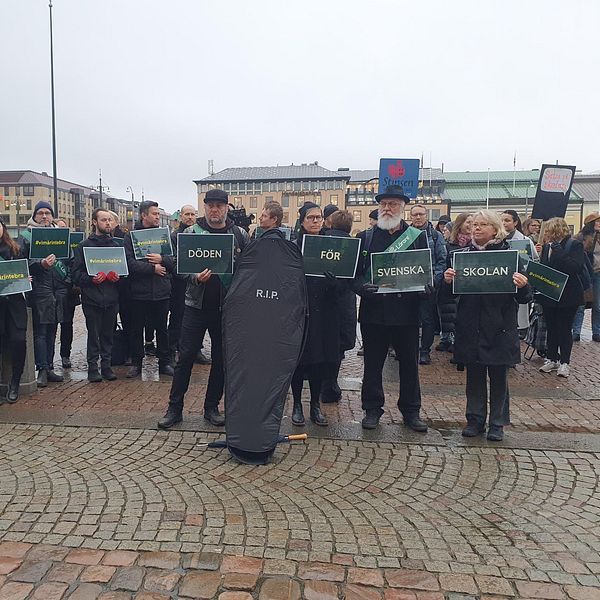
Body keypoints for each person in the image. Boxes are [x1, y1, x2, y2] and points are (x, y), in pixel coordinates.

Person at [158, 189, 249, 429]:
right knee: (185, 358)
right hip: (195, 306)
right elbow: (177, 264)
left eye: (219, 205)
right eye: (210, 205)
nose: (215, 209)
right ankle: (174, 408)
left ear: (226, 208)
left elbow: (249, 268)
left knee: (220, 360)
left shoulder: (239, 234)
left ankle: (211, 407)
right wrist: (194, 276)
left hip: (225, 309)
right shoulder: (189, 233)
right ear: (205, 207)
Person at [442, 210, 531, 441]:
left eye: (483, 225)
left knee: (499, 377)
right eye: (474, 225)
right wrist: (447, 281)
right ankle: (475, 419)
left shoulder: (510, 256)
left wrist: (523, 285)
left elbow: (524, 298)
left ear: (495, 229)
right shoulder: (461, 256)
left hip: (499, 325)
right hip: (470, 325)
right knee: (474, 375)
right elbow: (446, 297)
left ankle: (497, 423)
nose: (477, 228)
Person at [353, 185, 429, 431]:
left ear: (402, 208)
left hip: (407, 313)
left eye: (393, 204)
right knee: (373, 365)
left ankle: (411, 411)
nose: (387, 208)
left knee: (409, 365)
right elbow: (353, 276)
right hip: (374, 313)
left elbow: (428, 272)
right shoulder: (366, 237)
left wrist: (429, 286)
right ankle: (372, 409)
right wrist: (362, 288)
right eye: (383, 204)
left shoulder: (417, 237)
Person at [291, 202, 340, 427]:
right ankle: (297, 405)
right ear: (302, 221)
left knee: (320, 360)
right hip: (300, 310)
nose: (315, 221)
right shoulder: (293, 246)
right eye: (310, 218)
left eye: (319, 217)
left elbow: (344, 279)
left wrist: (335, 281)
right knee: (299, 360)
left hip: (325, 310)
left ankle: (315, 405)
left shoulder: (331, 244)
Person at [124, 200, 175, 378]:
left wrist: (161, 259)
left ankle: (164, 363)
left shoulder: (165, 235)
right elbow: (130, 264)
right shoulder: (130, 237)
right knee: (136, 329)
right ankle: (137, 363)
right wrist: (152, 268)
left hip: (161, 291)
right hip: (139, 292)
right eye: (154, 214)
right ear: (143, 215)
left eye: (158, 214)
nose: (157, 217)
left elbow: (173, 261)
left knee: (162, 329)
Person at [71, 208, 121, 382]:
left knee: (108, 334)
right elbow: (76, 274)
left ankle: (106, 367)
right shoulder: (84, 246)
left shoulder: (116, 246)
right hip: (92, 298)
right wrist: (91, 279)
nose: (107, 223)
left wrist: (118, 277)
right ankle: (93, 367)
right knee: (94, 334)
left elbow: (124, 272)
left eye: (109, 220)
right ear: (94, 222)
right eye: (103, 220)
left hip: (112, 298)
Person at [18, 201, 64, 387]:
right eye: (40, 213)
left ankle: (50, 366)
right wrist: (40, 265)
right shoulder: (26, 236)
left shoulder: (60, 235)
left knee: (53, 331)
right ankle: (42, 368)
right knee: (41, 332)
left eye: (47, 213)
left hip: (57, 291)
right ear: (34, 215)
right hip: (38, 290)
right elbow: (21, 263)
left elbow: (67, 261)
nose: (44, 216)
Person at [536, 218, 585, 377]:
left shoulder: (574, 245)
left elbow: (575, 267)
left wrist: (560, 253)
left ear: (556, 231)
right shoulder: (546, 247)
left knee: (564, 328)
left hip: (569, 295)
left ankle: (565, 362)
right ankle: (552, 358)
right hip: (550, 294)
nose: (546, 234)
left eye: (548, 231)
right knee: (551, 327)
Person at [321, 210, 357, 404]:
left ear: (330, 224)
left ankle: (324, 384)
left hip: (323, 299)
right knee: (338, 348)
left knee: (323, 342)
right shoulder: (353, 245)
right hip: (343, 301)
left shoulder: (322, 241)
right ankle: (331, 384)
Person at [409, 204, 447, 365]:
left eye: (421, 214)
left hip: (428, 285)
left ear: (426, 216)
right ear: (410, 217)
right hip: (408, 284)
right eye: (415, 215)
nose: (418, 217)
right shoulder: (405, 235)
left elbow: (442, 260)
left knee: (427, 320)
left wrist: (434, 281)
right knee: (409, 319)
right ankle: (408, 349)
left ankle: (424, 351)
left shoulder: (436, 236)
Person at [0, 218, 30, 403]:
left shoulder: (15, 249)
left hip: (15, 305)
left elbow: (24, 270)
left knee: (18, 341)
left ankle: (15, 383)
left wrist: (26, 278)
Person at [436, 212, 472, 353]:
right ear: (460, 224)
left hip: (468, 289)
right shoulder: (449, 244)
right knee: (448, 314)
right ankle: (447, 339)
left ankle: (458, 343)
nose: (471, 226)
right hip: (451, 287)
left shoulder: (476, 245)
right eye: (468, 222)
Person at [168, 204, 198, 363]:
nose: (190, 217)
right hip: (179, 284)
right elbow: (172, 260)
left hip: (196, 283)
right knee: (177, 318)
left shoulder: (199, 233)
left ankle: (196, 350)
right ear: (181, 216)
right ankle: (172, 350)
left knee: (195, 320)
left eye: (193, 214)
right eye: (187, 214)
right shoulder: (174, 236)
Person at [501, 210, 538, 336]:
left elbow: (534, 261)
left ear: (515, 222)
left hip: (519, 282)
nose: (504, 223)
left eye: (507, 220)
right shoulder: (496, 240)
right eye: (502, 220)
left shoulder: (525, 241)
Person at [54, 218, 79, 369]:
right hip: (52, 290)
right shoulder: (47, 246)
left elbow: (74, 265)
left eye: (65, 228)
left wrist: (70, 282)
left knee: (67, 325)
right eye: (59, 228)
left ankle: (65, 355)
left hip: (68, 291)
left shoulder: (71, 246)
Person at [572, 213, 600, 342]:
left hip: (598, 273)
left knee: (598, 305)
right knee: (580, 304)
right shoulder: (580, 238)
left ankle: (597, 331)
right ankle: (576, 331)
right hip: (584, 273)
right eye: (597, 222)